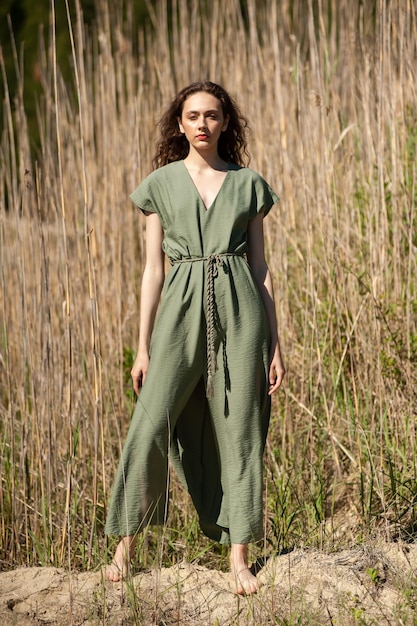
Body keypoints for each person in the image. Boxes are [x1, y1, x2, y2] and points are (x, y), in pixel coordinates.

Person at [104, 81, 285, 595]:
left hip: (241, 314)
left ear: (226, 122)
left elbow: (260, 267)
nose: (202, 123)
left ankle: (239, 558)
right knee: (149, 423)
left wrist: (275, 343)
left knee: (241, 432)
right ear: (179, 123)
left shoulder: (249, 184)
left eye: (212, 115)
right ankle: (123, 547)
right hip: (179, 312)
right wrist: (142, 346)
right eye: (192, 115)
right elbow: (152, 271)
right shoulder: (160, 183)